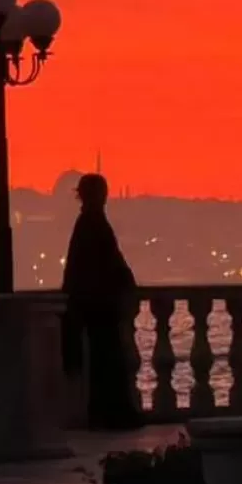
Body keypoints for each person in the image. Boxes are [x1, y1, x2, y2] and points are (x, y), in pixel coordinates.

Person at [62, 173, 142, 431]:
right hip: (100, 306)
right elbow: (110, 260)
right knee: (108, 361)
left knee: (103, 362)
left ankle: (106, 413)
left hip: (94, 304)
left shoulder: (87, 222)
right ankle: (113, 414)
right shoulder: (93, 223)